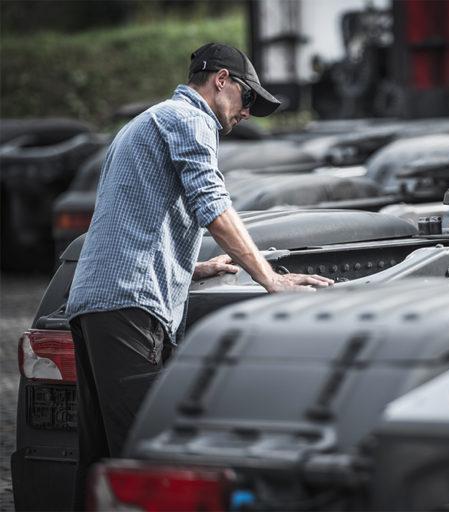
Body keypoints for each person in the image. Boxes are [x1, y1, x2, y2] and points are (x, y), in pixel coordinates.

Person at [65, 42, 333, 509]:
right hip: (129, 304)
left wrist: (189, 265)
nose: (248, 113)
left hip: (102, 301)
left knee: (102, 460)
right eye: (248, 99)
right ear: (221, 80)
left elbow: (128, 218)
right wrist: (269, 278)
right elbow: (213, 206)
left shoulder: (146, 122)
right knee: (142, 457)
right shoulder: (189, 119)